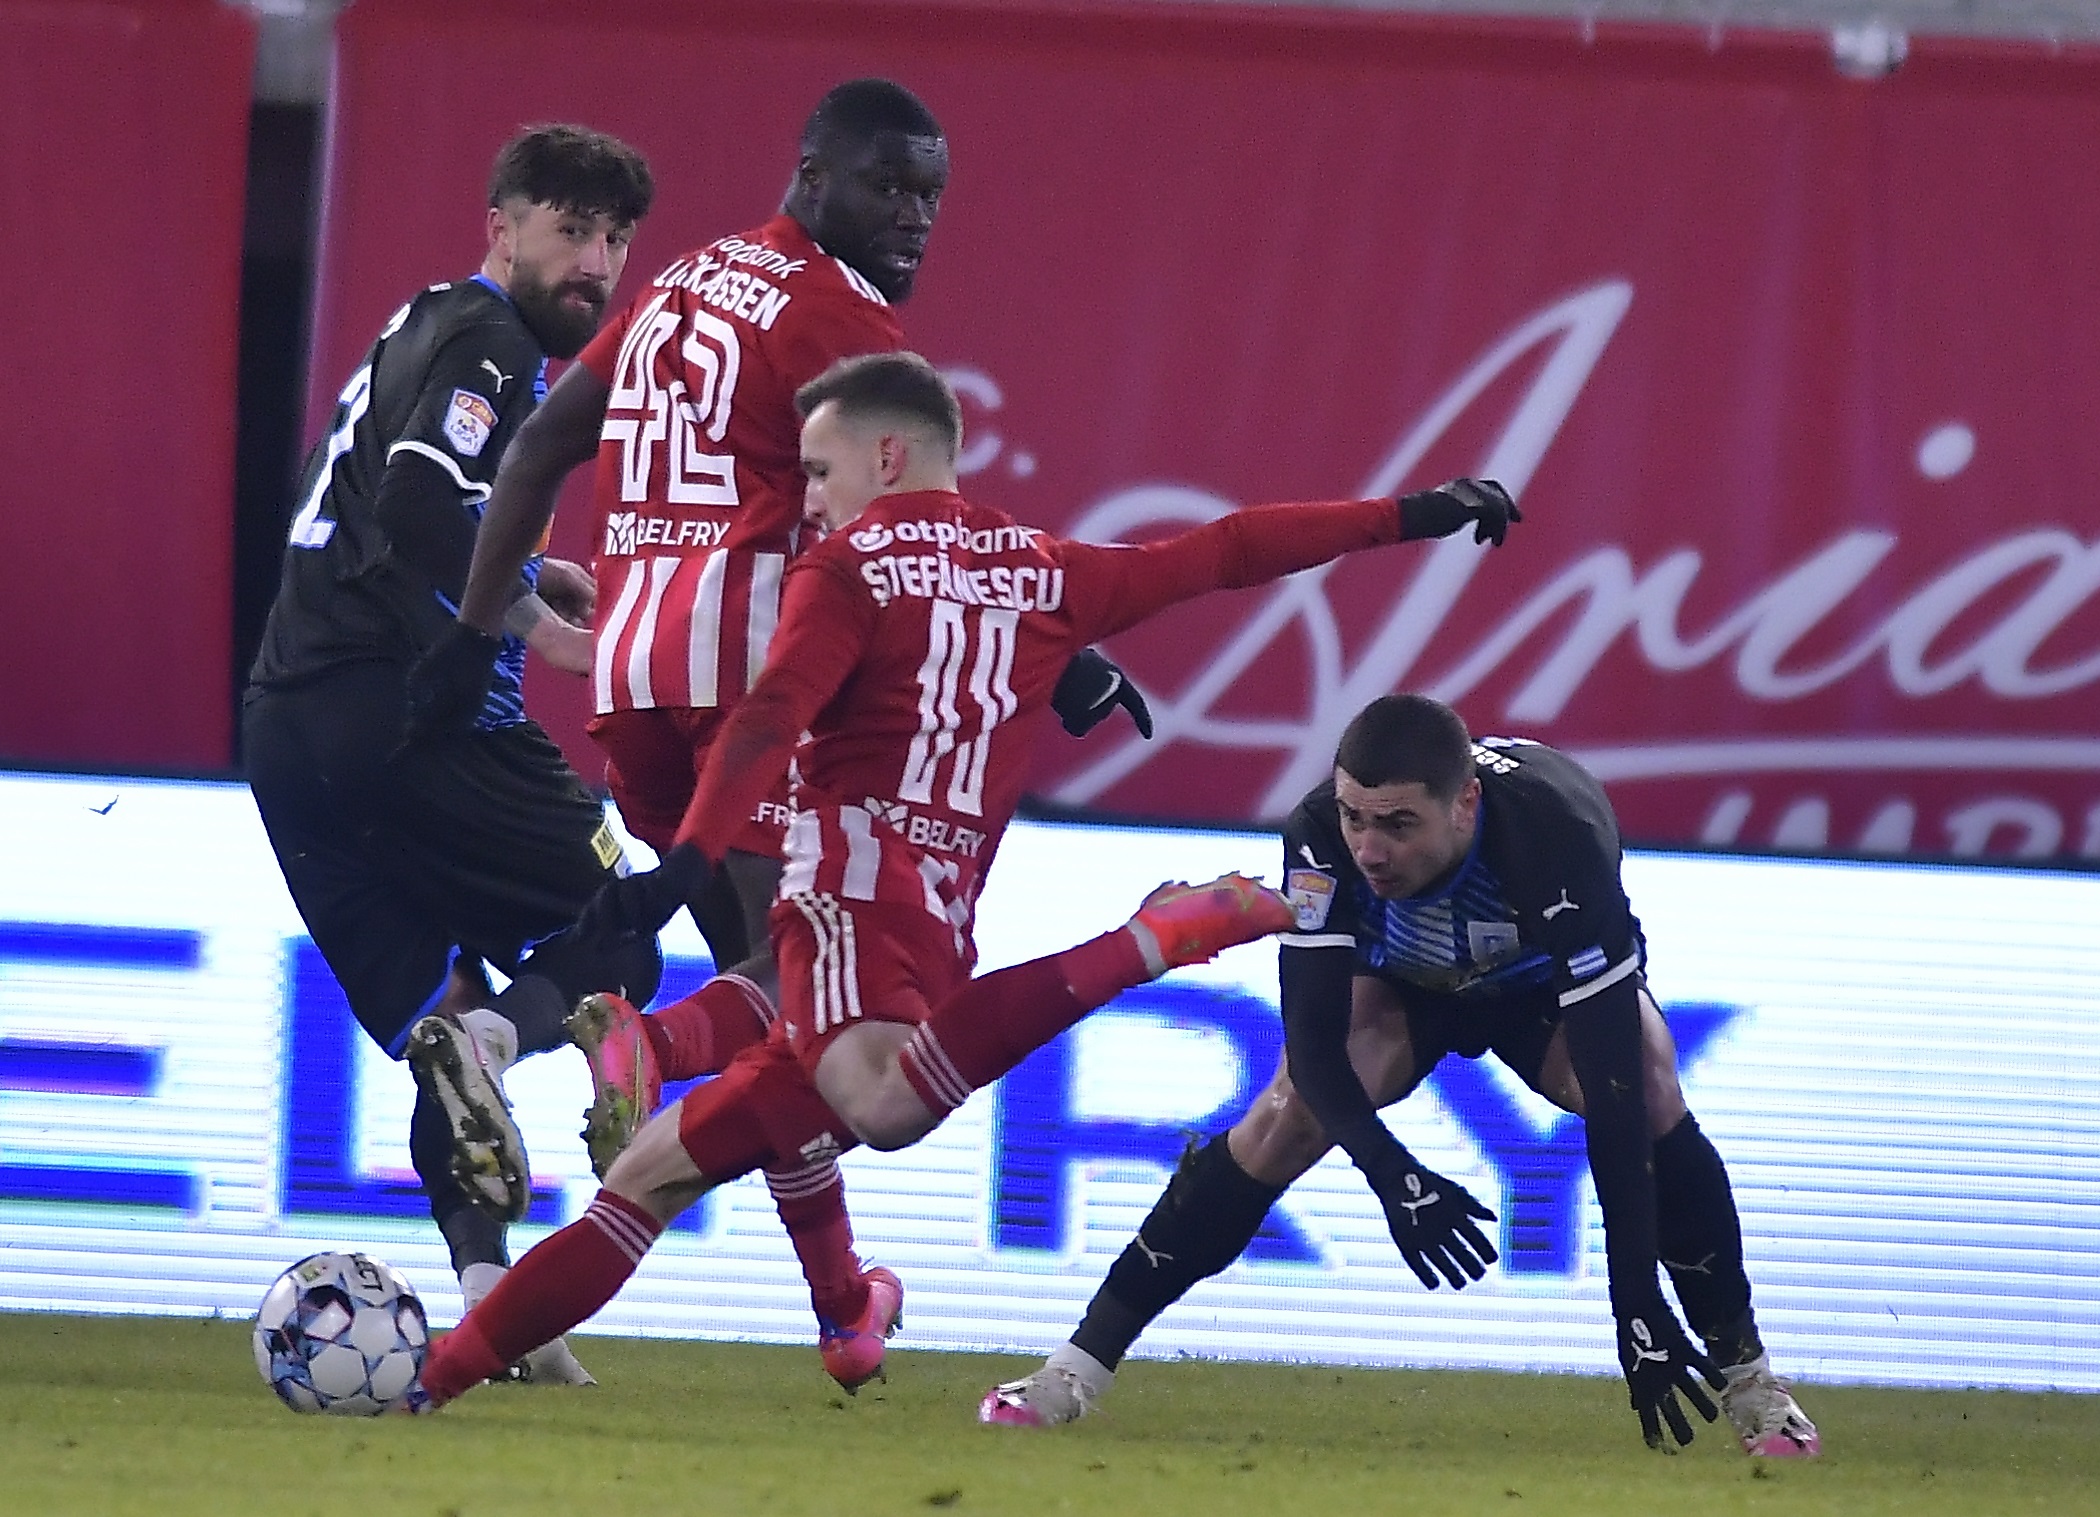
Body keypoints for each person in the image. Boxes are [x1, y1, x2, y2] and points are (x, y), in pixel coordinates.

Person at [400, 351, 1522, 1410]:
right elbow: (1227, 548)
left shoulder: (842, 567)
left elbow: (771, 715)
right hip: (937, 921)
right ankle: (433, 1381)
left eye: (825, 469)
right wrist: (1411, 514)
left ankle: (1159, 934)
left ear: (889, 458)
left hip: (842, 897)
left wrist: (687, 858)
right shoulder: (1042, 570)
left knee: (882, 1105)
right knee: (646, 1177)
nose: (816, 495)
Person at [405, 79, 1148, 1387]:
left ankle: (841, 1308)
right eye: (887, 190)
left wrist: (478, 633)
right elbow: (926, 532)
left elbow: (532, 455)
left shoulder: (681, 283)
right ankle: (535, 1035)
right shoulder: (835, 318)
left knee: (785, 1005)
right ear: (812, 176)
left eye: (930, 197)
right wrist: (1068, 657)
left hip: (632, 678)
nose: (913, 221)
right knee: (820, 1014)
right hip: (750, 681)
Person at [979, 694, 1822, 1459]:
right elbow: (1311, 1046)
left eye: (1397, 824)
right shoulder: (1317, 836)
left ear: (1466, 805)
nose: (1368, 849)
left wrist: (1633, 1299)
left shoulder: (1553, 837)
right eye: (1355, 816)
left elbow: (1614, 1096)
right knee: (1284, 1112)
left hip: (1537, 992)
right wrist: (1396, 1176)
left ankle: (1752, 1383)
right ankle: (1073, 1368)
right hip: (1405, 988)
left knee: (1652, 1084)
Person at [240, 125, 666, 1385]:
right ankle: (499, 1052)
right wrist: (541, 626)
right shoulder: (492, 342)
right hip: (413, 715)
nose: (594, 261)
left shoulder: (414, 326)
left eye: (615, 239)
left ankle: (498, 1311)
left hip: (287, 727)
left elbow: (382, 506)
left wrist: (526, 564)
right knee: (624, 916)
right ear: (502, 223)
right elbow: (426, 502)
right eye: (570, 228)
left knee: (445, 1010)